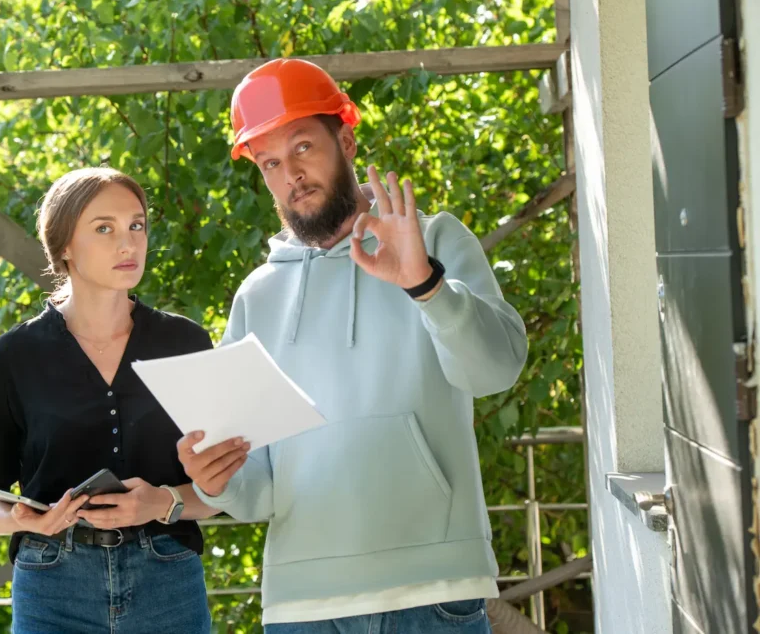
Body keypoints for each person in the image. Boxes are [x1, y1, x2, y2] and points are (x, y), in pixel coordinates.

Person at [177, 59, 528, 633]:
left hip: (435, 593)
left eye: (302, 148)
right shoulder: (256, 297)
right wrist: (215, 478)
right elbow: (257, 489)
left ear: (345, 139)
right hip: (303, 609)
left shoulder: (433, 239)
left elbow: (496, 370)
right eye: (270, 162)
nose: (290, 173)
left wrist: (427, 285)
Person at [0, 167, 229, 634]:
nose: (128, 243)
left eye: (136, 225)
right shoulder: (10, 358)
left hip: (168, 579)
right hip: (52, 585)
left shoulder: (184, 341)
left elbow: (223, 488)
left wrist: (162, 503)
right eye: (104, 228)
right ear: (63, 245)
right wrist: (20, 520)